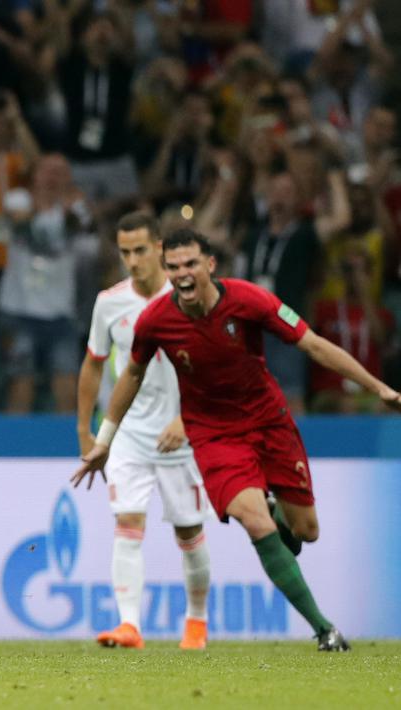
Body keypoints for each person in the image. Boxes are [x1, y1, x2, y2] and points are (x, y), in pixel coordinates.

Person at [75, 228, 401, 652]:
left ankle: (274, 509)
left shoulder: (249, 300)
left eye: (191, 264)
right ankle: (324, 629)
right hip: (213, 435)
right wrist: (104, 438)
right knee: (254, 522)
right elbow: (131, 374)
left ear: (210, 265)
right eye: (173, 267)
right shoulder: (155, 320)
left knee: (306, 532)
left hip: (269, 422)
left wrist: (378, 388)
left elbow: (313, 344)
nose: (182, 274)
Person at [75, 213, 212, 651]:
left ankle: (196, 623)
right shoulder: (110, 303)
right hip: (130, 432)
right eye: (124, 253)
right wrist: (86, 430)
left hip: (183, 434)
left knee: (188, 532)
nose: (132, 261)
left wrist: (186, 419)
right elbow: (93, 364)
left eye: (139, 250)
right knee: (127, 520)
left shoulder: (190, 297)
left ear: (158, 248)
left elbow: (216, 365)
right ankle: (129, 625)